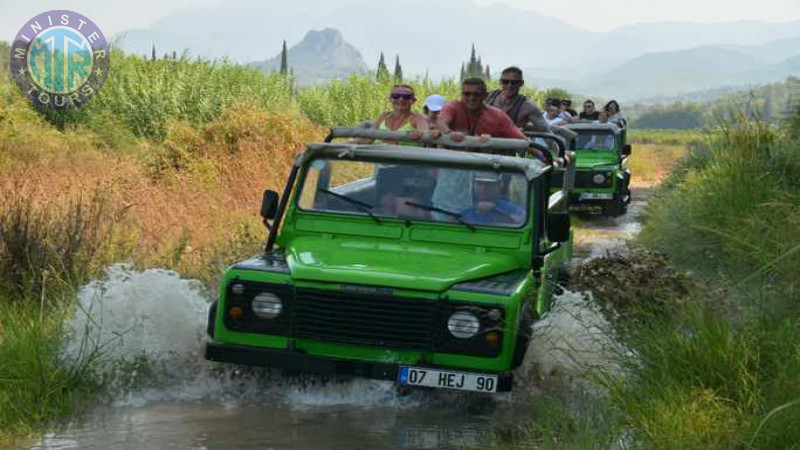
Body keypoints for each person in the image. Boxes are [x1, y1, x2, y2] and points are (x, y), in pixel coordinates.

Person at [435, 78, 528, 142]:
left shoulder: (497, 116)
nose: (472, 98)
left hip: (484, 165)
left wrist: (541, 157)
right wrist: (449, 133)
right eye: (467, 94)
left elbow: (523, 140)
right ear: (461, 94)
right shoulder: (452, 106)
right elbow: (441, 121)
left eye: (476, 94)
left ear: (485, 95)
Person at [485, 66, 549, 131]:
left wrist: (524, 129)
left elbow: (545, 130)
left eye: (514, 82)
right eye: (505, 82)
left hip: (510, 140)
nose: (509, 86)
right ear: (500, 82)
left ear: (521, 83)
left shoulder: (528, 107)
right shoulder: (489, 97)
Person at [361, 84, 429, 145]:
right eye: (396, 96)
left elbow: (426, 134)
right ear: (390, 99)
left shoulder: (418, 118)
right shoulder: (383, 116)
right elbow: (369, 139)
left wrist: (420, 133)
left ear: (413, 100)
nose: (401, 99)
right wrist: (351, 141)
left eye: (406, 96)